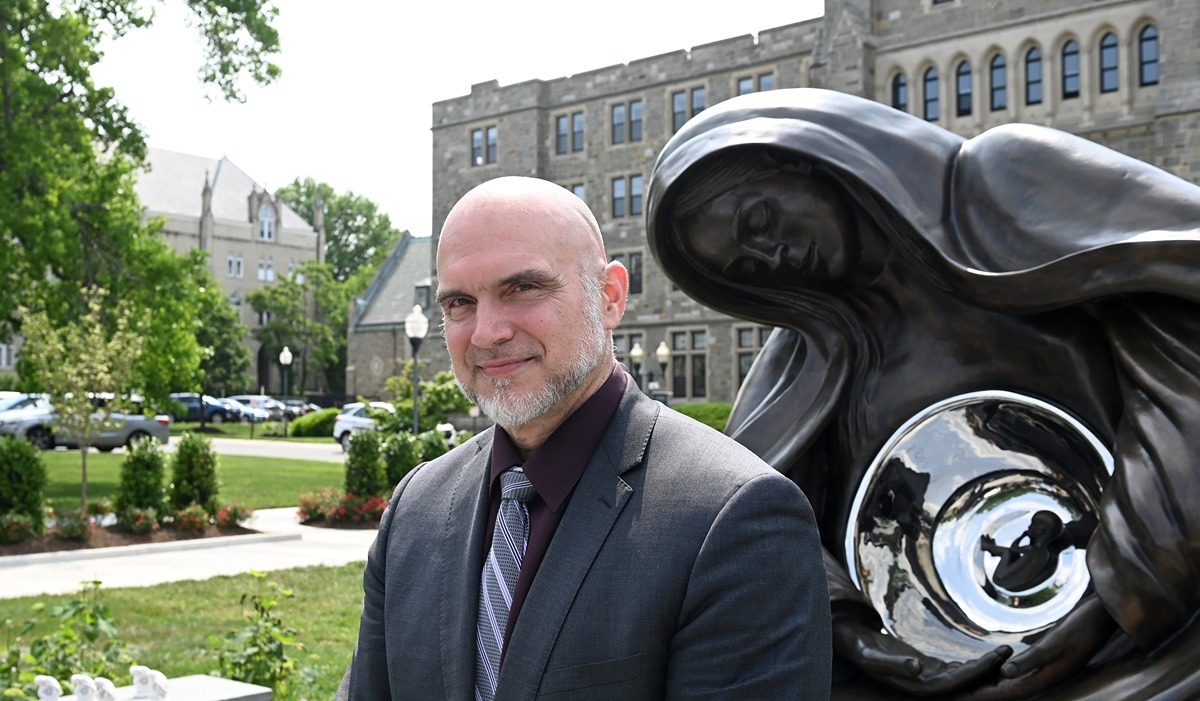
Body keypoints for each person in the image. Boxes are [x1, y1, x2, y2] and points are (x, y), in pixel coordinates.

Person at [646, 88, 1200, 699]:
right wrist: (854, 632)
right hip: (952, 660)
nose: (771, 255)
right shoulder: (803, 357)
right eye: (747, 269)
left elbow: (1185, 367)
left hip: (1154, 612)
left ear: (805, 162)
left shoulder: (1007, 178)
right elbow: (758, 524)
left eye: (759, 221)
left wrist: (1120, 595)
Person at [337, 176, 831, 700]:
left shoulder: (735, 519)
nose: (486, 333)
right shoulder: (416, 509)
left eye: (523, 288)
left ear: (611, 297)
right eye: (459, 302)